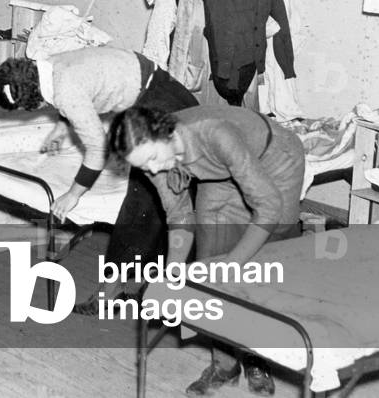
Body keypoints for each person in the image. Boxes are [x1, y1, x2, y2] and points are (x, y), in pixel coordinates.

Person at [106, 104, 306, 397]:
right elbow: (180, 216)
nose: (151, 171)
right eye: (143, 167)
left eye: (151, 160)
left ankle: (256, 361)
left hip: (275, 160)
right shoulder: (153, 156)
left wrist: (234, 263)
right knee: (207, 265)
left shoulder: (216, 134)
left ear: (166, 134)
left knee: (260, 261)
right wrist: (173, 273)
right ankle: (224, 366)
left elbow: (269, 206)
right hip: (220, 173)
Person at [0, 46, 197, 313]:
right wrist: (62, 128)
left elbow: (98, 147)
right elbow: (72, 92)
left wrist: (73, 194)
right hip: (163, 89)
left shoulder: (66, 93)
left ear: (34, 103)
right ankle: (140, 285)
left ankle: (117, 293)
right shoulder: (47, 64)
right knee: (152, 200)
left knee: (143, 200)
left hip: (165, 105)